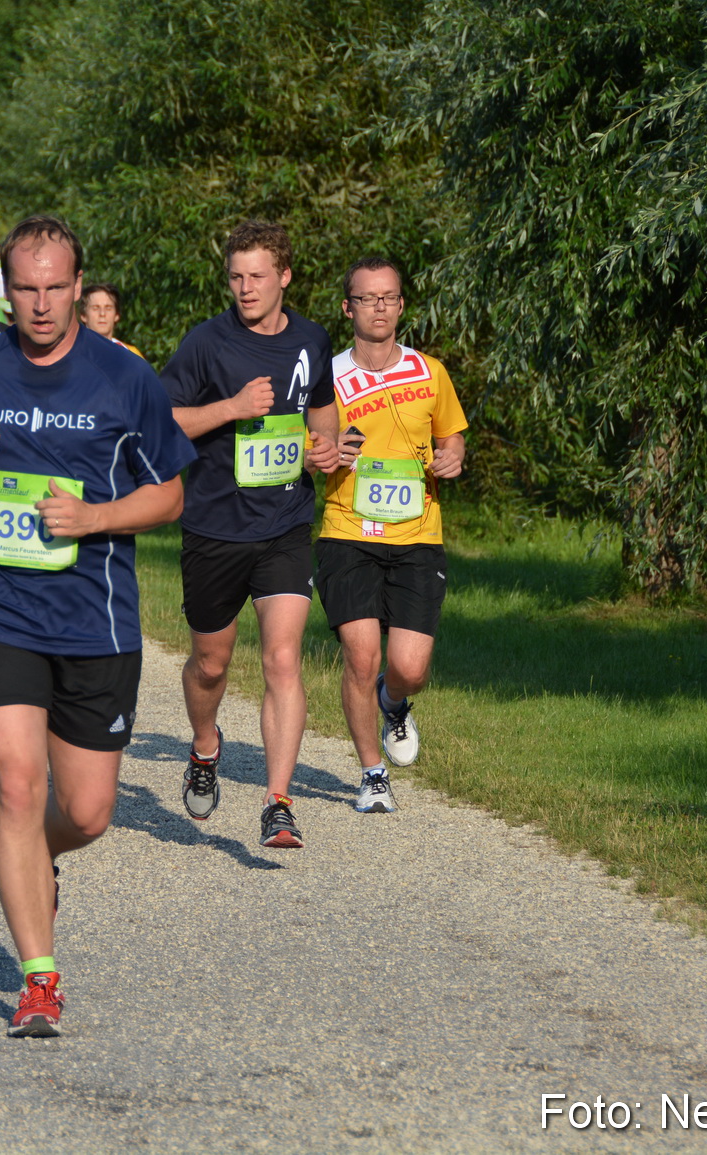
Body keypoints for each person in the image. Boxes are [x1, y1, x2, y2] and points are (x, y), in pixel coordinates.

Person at [0, 216, 195, 1037]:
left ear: (79, 286)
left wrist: (94, 515)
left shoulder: (121, 376)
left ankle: (39, 860)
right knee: (17, 784)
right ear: (5, 289)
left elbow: (171, 492)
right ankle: (39, 979)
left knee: (89, 811)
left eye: (55, 287)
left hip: (96, 623)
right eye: (24, 288)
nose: (40, 304)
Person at [163, 220, 338, 848]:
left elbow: (321, 409)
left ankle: (278, 802)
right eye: (236, 276)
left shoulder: (313, 339)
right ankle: (205, 746)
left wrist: (326, 447)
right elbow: (162, 418)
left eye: (257, 276)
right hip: (214, 525)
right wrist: (231, 408)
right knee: (211, 664)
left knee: (282, 658)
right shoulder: (207, 343)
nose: (244, 288)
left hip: (286, 522)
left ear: (284, 276)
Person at [319, 258, 467, 812]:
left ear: (401, 306)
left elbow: (452, 438)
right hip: (347, 530)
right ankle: (372, 774)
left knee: (409, 667)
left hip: (418, 534)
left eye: (388, 297)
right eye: (367, 298)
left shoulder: (431, 372)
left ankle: (395, 702)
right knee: (360, 655)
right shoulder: (327, 378)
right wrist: (325, 454)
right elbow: (309, 451)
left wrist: (451, 459)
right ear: (348, 308)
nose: (378, 306)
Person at [80, 283, 142, 359]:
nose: (102, 313)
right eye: (95, 308)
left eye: (108, 308)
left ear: (116, 315)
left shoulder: (132, 354)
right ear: (83, 315)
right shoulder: (70, 353)